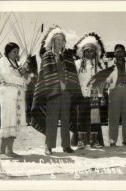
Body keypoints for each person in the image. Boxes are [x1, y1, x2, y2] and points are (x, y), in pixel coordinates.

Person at [31, 26, 82, 155]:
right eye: (57, 40)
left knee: (66, 118)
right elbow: (44, 76)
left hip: (66, 94)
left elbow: (73, 74)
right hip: (52, 93)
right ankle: (48, 146)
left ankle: (66, 145)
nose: (60, 42)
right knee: (51, 120)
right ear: (52, 41)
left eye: (62, 40)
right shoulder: (47, 56)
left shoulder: (68, 57)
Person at [0, 42, 29, 159]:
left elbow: (26, 80)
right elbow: (8, 78)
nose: (16, 54)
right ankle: (1, 151)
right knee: (7, 120)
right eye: (14, 52)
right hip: (7, 95)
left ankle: (10, 150)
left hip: (17, 95)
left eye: (17, 52)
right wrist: (21, 79)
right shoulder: (2, 62)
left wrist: (25, 75)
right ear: (7, 52)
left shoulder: (17, 63)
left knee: (14, 121)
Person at [72, 32, 105, 149]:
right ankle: (81, 141)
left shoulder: (99, 65)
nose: (89, 53)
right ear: (83, 51)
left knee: (95, 118)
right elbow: (73, 80)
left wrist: (102, 95)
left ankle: (94, 141)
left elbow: (102, 82)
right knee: (81, 117)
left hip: (95, 94)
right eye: (86, 50)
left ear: (95, 52)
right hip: (82, 94)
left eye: (91, 50)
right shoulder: (77, 64)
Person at [106, 44, 126, 147]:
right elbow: (107, 78)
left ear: (124, 52)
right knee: (113, 117)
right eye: (117, 52)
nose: (119, 54)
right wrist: (107, 82)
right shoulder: (109, 63)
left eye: (121, 51)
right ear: (114, 53)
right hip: (114, 91)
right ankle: (112, 140)